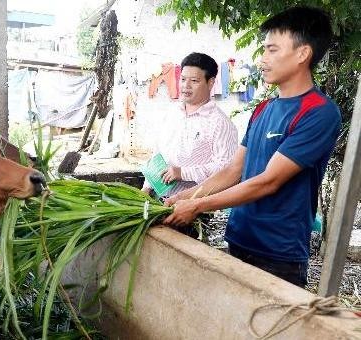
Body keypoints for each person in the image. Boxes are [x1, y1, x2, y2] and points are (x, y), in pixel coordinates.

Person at [163, 6, 341, 288]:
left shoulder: (318, 112)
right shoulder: (263, 109)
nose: (262, 60)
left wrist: (197, 204)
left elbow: (268, 182)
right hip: (239, 238)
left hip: (278, 254)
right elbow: (234, 169)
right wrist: (187, 197)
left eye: (272, 50)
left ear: (302, 54)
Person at [142, 52, 238, 201]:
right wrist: (147, 186)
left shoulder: (220, 123)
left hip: (192, 208)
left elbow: (227, 170)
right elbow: (158, 154)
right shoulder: (172, 113)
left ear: (211, 82)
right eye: (183, 79)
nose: (185, 86)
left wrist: (183, 172)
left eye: (194, 80)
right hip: (157, 201)